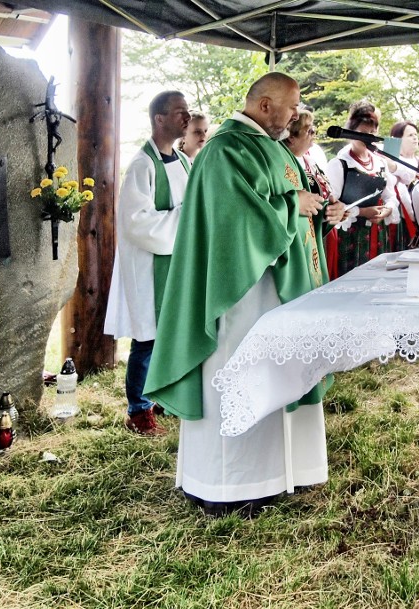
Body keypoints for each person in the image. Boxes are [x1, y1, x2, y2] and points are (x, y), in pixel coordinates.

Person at [143, 72, 332, 515]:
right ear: (264, 105)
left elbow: (285, 199)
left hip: (274, 288)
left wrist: (317, 211)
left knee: (276, 371)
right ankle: (229, 485)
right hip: (240, 292)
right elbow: (236, 218)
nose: (295, 114)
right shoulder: (227, 148)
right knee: (239, 371)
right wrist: (292, 205)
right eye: (290, 105)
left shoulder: (267, 145)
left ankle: (284, 472)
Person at [104, 91, 191, 436]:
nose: (186, 117)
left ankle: (165, 399)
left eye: (187, 112)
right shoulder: (142, 166)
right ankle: (138, 412)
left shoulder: (183, 161)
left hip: (178, 262)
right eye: (179, 112)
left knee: (172, 335)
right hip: (151, 266)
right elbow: (137, 222)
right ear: (159, 119)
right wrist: (184, 220)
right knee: (148, 340)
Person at [326, 101, 399, 275]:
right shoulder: (340, 165)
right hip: (349, 238)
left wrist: (387, 210)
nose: (368, 138)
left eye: (372, 133)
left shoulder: (381, 163)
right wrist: (362, 212)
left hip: (378, 233)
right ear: (351, 132)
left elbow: (391, 196)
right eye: (363, 133)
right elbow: (331, 206)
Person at [284, 108, 346, 278]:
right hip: (299, 242)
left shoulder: (310, 161)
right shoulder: (282, 164)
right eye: (309, 130)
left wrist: (336, 209)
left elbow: (328, 196)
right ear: (291, 135)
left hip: (321, 234)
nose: (314, 134)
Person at [388, 120, 419, 251]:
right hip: (403, 220)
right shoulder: (390, 160)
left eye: (415, 134)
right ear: (398, 139)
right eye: (410, 135)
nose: (415, 138)